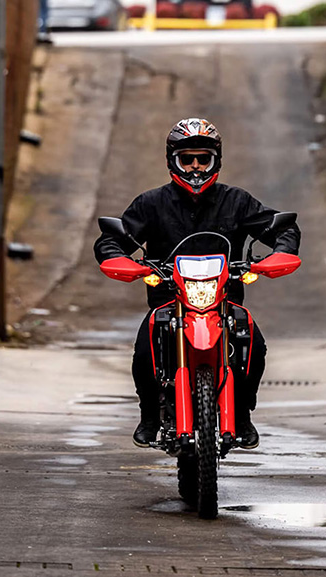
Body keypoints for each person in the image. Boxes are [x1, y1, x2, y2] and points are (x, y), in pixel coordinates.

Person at [94, 118, 300, 450]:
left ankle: (243, 414)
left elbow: (281, 228)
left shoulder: (237, 201)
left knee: (256, 346)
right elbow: (114, 239)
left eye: (202, 158)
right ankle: (149, 416)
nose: (194, 166)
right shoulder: (151, 203)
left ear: (215, 160)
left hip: (224, 301)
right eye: (186, 158)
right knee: (144, 349)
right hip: (169, 301)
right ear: (171, 160)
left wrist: (278, 253)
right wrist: (121, 260)